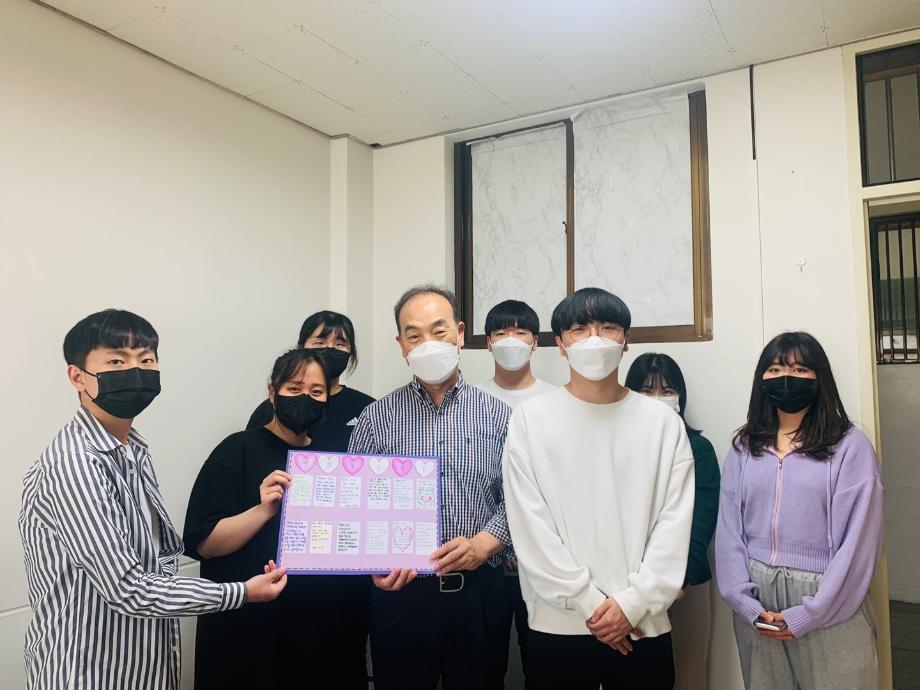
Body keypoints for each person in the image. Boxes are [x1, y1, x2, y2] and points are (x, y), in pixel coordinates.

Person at [19, 309, 287, 690]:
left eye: (146, 360)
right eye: (116, 361)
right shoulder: (73, 464)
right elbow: (128, 588)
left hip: (143, 668)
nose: (136, 371)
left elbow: (157, 563)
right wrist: (241, 592)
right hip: (88, 673)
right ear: (77, 376)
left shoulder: (131, 450)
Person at [502, 287, 695, 690]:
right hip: (558, 625)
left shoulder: (662, 424)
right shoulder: (530, 420)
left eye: (608, 328)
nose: (594, 339)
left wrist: (631, 605)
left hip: (642, 625)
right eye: (579, 329)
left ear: (625, 342)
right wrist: (592, 605)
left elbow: (673, 526)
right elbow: (531, 528)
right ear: (560, 345)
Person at [347, 284, 512, 690]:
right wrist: (373, 562)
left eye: (439, 331)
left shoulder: (499, 416)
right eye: (414, 335)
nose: (428, 343)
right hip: (401, 596)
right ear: (401, 345)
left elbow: (521, 499)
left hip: (478, 593)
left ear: (459, 334)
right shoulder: (376, 418)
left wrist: (484, 545)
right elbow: (354, 506)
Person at [184, 348, 370, 689]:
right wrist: (263, 510)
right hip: (250, 633)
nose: (305, 398)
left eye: (316, 392)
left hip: (321, 631)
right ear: (272, 392)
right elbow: (204, 544)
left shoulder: (333, 463)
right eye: (294, 388)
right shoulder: (237, 450)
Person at [715, 331, 884, 690]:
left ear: (820, 377)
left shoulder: (849, 446)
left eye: (800, 369)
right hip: (757, 599)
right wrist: (743, 602)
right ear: (761, 379)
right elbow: (728, 531)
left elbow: (859, 543)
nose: (786, 378)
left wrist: (812, 612)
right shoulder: (745, 447)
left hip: (830, 598)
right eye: (775, 369)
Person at [624, 352, 720, 690]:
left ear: (680, 396)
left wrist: (678, 583)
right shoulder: (618, 446)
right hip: (628, 586)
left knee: (689, 673)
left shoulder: (699, 449)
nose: (657, 398)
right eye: (646, 390)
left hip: (685, 586)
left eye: (666, 390)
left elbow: (702, 521)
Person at [476, 299, 556, 683]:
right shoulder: (472, 400)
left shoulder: (556, 400)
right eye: (501, 332)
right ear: (488, 343)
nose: (511, 340)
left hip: (542, 563)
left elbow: (558, 483)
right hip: (484, 561)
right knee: (485, 662)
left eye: (521, 332)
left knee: (543, 663)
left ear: (535, 342)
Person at [247, 310, 375, 451]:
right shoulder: (273, 407)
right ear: (301, 347)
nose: (329, 348)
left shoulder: (368, 408)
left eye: (339, 344)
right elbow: (251, 453)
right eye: (319, 342)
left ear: (351, 352)